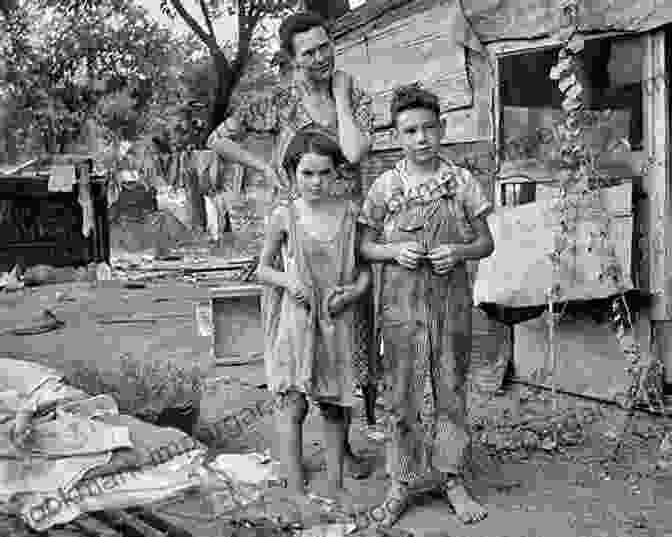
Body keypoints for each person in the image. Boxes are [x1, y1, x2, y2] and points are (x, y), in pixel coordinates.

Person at [207, 11, 376, 479]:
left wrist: (339, 97)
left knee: (343, 346)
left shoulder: (355, 96)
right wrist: (263, 169)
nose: (321, 57)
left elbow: (355, 153)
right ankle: (294, 456)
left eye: (325, 46)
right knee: (296, 345)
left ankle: (341, 452)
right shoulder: (278, 102)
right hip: (296, 241)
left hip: (343, 238)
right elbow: (217, 139)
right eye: (309, 52)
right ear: (292, 59)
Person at [358, 84, 494, 526]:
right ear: (397, 136)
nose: (421, 138)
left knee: (451, 392)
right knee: (401, 397)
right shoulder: (385, 187)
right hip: (400, 310)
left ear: (442, 129)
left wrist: (458, 252)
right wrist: (393, 252)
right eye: (410, 130)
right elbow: (365, 245)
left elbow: (485, 242)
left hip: (451, 305)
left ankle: (452, 479)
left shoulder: (462, 182)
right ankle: (400, 484)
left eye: (429, 129)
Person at [255, 129, 372, 504]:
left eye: (324, 173)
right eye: (307, 174)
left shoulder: (351, 214)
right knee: (293, 406)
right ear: (292, 173)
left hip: (336, 325)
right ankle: (295, 490)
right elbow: (262, 269)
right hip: (296, 324)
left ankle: (336, 488)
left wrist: (354, 291)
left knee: (335, 409)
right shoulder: (284, 216)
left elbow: (366, 269)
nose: (316, 182)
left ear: (337, 172)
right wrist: (288, 280)